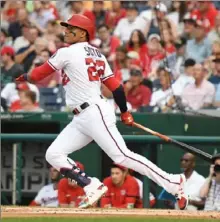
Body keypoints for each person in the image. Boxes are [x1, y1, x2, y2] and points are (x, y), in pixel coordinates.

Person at [16, 14, 188, 210]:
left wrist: (21, 76)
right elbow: (116, 87)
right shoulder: (98, 54)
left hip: (93, 111)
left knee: (122, 156)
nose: (65, 31)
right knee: (54, 154)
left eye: (70, 27)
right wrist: (124, 112)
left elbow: (38, 74)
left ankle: (173, 182)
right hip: (83, 115)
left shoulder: (67, 52)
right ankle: (90, 185)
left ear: (82, 33)